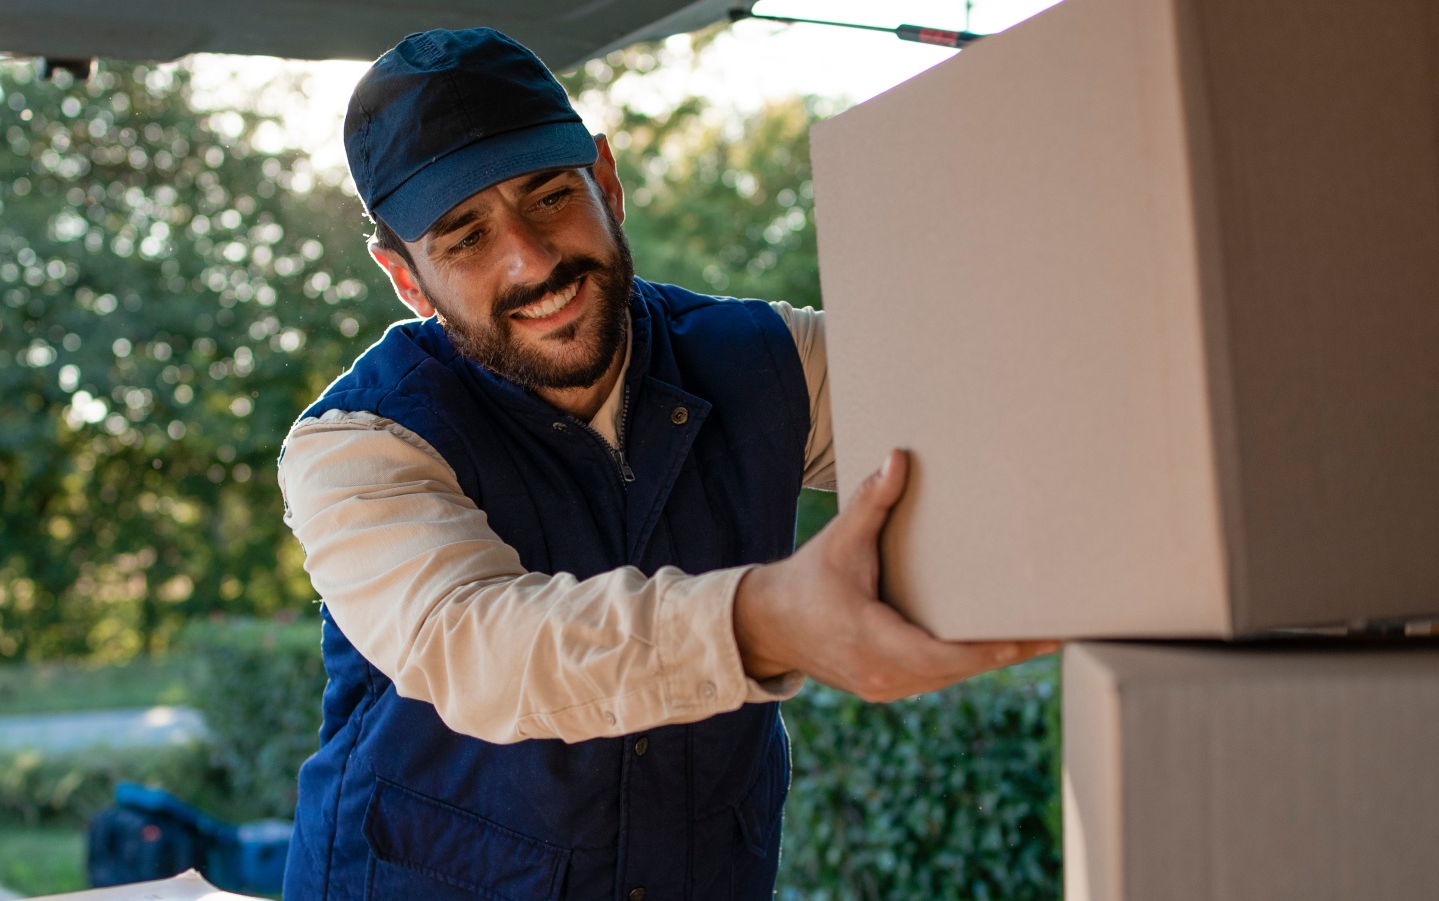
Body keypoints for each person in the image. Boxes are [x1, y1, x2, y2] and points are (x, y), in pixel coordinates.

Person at [279, 28, 1057, 900]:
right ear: (408, 279)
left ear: (606, 182)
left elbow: (1006, 422)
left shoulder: (775, 361)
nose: (532, 260)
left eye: (548, 198)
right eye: (465, 237)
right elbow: (480, 647)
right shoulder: (356, 443)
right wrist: (766, 623)